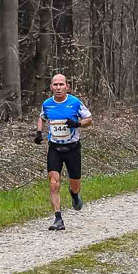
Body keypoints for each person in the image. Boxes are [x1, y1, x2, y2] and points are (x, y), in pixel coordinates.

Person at [34, 73, 92, 231]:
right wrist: (38, 132)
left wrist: (77, 124)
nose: (58, 87)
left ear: (67, 86)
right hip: (55, 149)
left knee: (75, 184)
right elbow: (42, 117)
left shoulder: (75, 102)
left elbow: (89, 120)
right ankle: (58, 218)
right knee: (53, 184)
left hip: (72, 149)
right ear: (51, 87)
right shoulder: (47, 104)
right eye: (55, 85)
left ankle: (74, 194)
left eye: (61, 84)